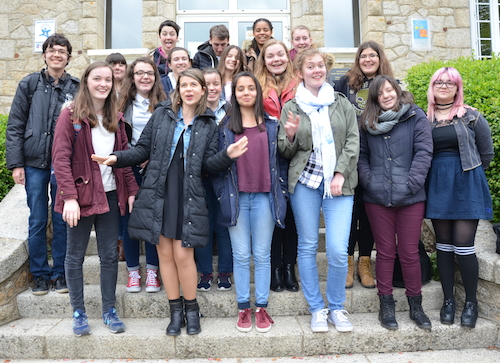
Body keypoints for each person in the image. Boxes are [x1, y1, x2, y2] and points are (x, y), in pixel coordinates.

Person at [92, 68, 248, 336]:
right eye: (184, 85)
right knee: (164, 254)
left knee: (182, 255)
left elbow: (208, 166)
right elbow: (142, 149)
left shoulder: (208, 124)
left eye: (193, 85)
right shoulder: (163, 115)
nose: (188, 89)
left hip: (187, 194)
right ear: (178, 88)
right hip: (158, 192)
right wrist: (117, 157)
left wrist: (228, 155)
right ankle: (175, 311)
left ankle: (191, 308)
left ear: (203, 90)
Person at [52, 61, 139, 336]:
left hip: (111, 196)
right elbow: (61, 158)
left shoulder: (117, 117)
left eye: (108, 80)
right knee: (74, 256)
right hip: (81, 197)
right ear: (86, 82)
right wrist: (69, 198)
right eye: (97, 79)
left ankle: (109, 309)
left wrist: (133, 191)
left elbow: (123, 159)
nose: (103, 84)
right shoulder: (71, 115)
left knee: (109, 257)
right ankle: (78, 312)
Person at [278, 49, 359, 333]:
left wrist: (339, 173)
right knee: (308, 245)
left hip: (339, 183)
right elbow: (285, 151)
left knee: (338, 250)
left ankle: (337, 307)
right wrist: (289, 135)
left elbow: (352, 141)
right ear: (299, 72)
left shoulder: (341, 103)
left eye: (320, 65)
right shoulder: (291, 106)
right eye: (310, 66)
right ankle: (316, 308)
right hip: (305, 183)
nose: (316, 70)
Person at [212, 71, 288, 333]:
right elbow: (215, 165)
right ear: (234, 94)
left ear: (257, 93)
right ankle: (244, 307)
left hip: (266, 196)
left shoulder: (271, 125)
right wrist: (222, 192)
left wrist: (282, 190)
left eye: (250, 88)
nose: (246, 93)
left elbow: (282, 162)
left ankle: (262, 307)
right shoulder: (224, 128)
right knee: (242, 255)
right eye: (240, 89)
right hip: (237, 198)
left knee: (263, 255)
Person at [6, 33, 80, 295]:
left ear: (68, 57)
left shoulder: (76, 87)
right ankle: (39, 274)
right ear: (44, 54)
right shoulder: (29, 84)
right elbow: (15, 126)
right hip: (34, 164)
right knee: (37, 219)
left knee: (61, 219)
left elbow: (82, 129)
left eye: (62, 51)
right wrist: (16, 164)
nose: (56, 54)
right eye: (52, 50)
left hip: (63, 165)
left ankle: (60, 273)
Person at [358, 74, 433, 331]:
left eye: (390, 90)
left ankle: (416, 305)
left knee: (409, 253)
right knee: (386, 252)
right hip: (377, 197)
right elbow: (362, 157)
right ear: (375, 99)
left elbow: (424, 152)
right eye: (380, 93)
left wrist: (413, 182)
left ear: (397, 91)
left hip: (411, 197)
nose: (386, 96)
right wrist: (369, 181)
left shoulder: (415, 117)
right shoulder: (368, 123)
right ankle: (386, 304)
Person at [425, 67, 493, 329]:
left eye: (449, 83)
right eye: (439, 83)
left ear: (457, 88)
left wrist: (469, 176)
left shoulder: (471, 116)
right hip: (438, 185)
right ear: (432, 87)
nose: (443, 86)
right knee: (443, 244)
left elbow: (485, 154)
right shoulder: (424, 118)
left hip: (466, 182)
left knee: (464, 245)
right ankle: (448, 301)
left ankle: (471, 302)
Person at [334, 41, 394, 289]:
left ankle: (365, 262)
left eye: (373, 55)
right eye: (363, 56)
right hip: (349, 156)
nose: (367, 59)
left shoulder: (390, 85)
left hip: (378, 157)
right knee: (350, 212)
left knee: (369, 213)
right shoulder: (344, 83)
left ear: (380, 58)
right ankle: (348, 262)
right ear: (357, 59)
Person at [117, 57, 167, 293]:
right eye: (139, 73)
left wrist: (153, 157)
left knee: (154, 221)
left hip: (156, 169)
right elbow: (118, 138)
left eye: (149, 73)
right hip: (130, 168)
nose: (145, 77)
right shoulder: (121, 105)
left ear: (156, 77)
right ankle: (134, 272)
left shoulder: (165, 104)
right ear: (132, 77)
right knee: (129, 220)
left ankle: (153, 271)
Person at [255, 38, 299, 292]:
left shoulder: (299, 83)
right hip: (268, 157)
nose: (276, 59)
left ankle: (289, 268)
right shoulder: (257, 85)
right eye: (270, 56)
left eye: (280, 54)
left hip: (296, 156)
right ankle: (274, 268)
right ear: (264, 60)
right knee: (273, 214)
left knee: (292, 216)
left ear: (287, 56)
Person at [195, 68, 233, 291]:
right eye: (207, 83)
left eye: (216, 83)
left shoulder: (231, 111)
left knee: (224, 224)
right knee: (203, 225)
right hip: (200, 177)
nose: (212, 88)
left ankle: (225, 271)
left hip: (225, 175)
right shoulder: (194, 111)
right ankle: (206, 272)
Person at [105, 52, 128, 261]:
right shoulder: (104, 90)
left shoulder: (130, 90)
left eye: (122, 64)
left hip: (126, 149)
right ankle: (116, 242)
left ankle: (123, 241)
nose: (118, 68)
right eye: (114, 64)